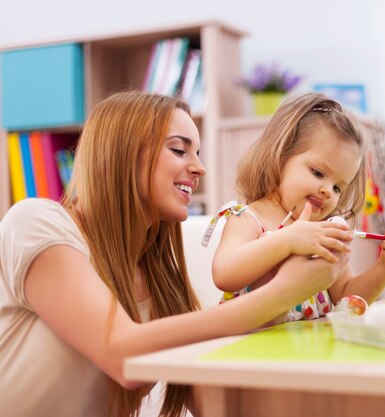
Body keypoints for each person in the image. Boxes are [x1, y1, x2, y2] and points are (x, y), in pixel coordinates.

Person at [0, 91, 348, 417]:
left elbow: (202, 394)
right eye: (180, 150)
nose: (199, 168)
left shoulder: (157, 275)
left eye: (197, 153)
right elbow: (121, 352)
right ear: (122, 153)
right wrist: (282, 293)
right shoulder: (37, 223)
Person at [206, 93, 385, 322]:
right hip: (249, 351)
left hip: (308, 352)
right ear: (280, 156)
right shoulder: (248, 219)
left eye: (338, 188)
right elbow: (224, 274)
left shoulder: (322, 234)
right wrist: (288, 240)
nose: (327, 191)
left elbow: (347, 298)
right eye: (318, 173)